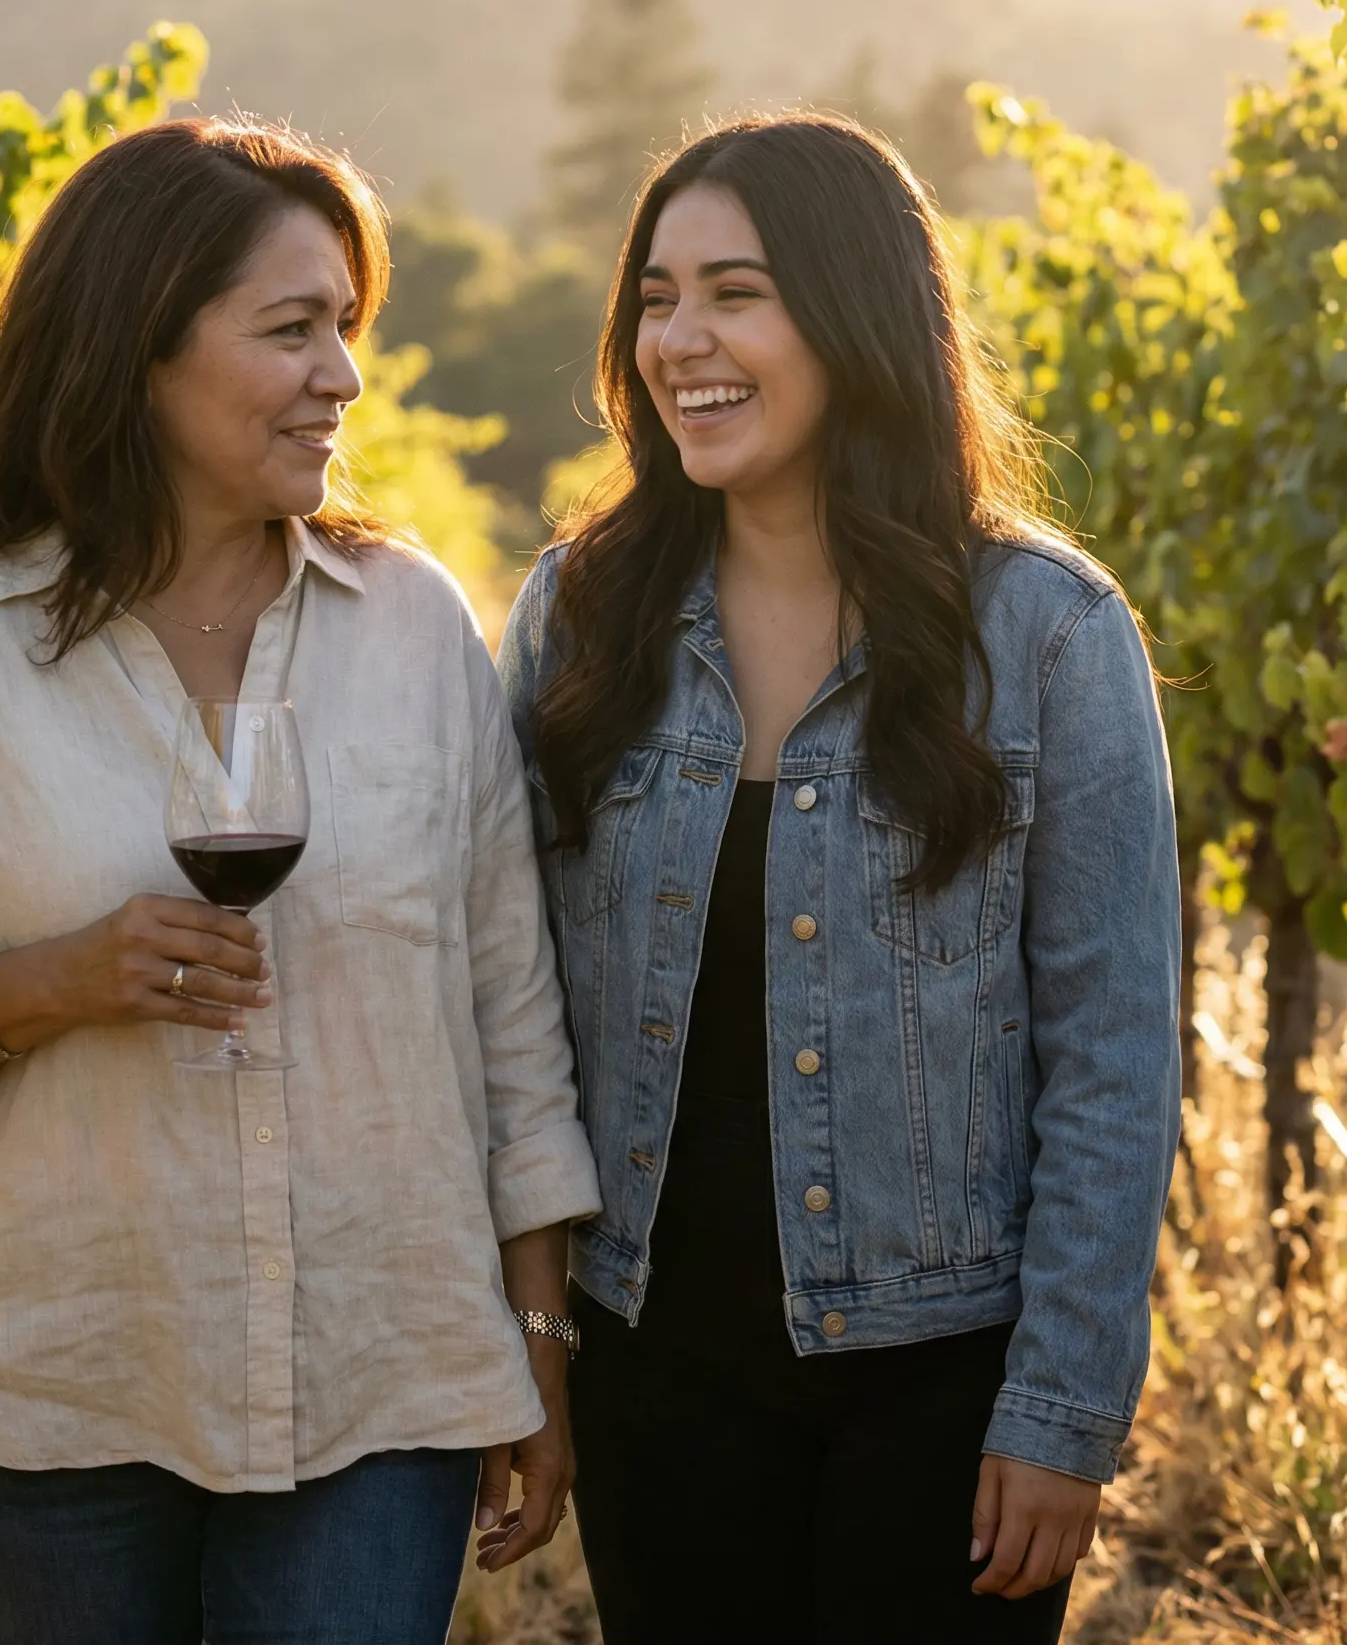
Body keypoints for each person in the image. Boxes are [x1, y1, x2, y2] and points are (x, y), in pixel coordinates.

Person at [0, 117, 600, 1645]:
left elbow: (511, 1016)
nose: (340, 374)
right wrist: (42, 989)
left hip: (379, 1374)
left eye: (345, 326)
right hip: (59, 1390)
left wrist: (534, 1338)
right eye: (291, 331)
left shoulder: (411, 627)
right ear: (135, 351)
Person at [498, 114, 1181, 1643]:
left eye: (736, 292)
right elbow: (510, 1010)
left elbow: (1114, 1059)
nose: (683, 340)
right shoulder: (579, 616)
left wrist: (1061, 1410)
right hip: (655, 1383)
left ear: (856, 313)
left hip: (947, 1392)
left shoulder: (1051, 639)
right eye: (658, 299)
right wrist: (534, 1338)